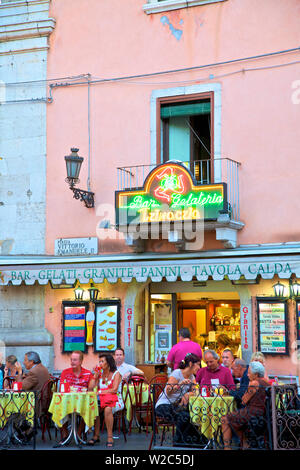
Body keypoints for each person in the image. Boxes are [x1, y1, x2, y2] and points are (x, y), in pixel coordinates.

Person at [221, 361, 270, 450]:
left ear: (256, 374)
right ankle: (244, 444)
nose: (247, 375)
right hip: (262, 413)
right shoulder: (266, 382)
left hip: (253, 412)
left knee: (225, 419)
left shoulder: (254, 383)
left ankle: (227, 448)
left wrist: (247, 388)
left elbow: (244, 400)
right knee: (236, 420)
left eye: (249, 373)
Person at [155, 353, 201, 445]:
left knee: (191, 416)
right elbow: (168, 391)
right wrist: (180, 384)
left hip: (175, 406)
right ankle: (178, 442)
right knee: (184, 417)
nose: (199, 367)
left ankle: (191, 442)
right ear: (191, 364)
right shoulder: (177, 373)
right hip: (163, 405)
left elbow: (196, 391)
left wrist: (189, 393)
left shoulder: (191, 377)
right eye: (198, 364)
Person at [88, 353, 124, 447]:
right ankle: (96, 435)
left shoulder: (117, 374)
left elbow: (114, 389)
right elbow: (91, 387)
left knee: (108, 409)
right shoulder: (100, 374)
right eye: (99, 361)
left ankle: (110, 437)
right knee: (94, 407)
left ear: (108, 363)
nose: (100, 363)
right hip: (103, 399)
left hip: (116, 399)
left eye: (102, 361)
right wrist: (95, 376)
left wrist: (100, 392)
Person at [58, 350, 94, 442]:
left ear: (81, 361)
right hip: (68, 401)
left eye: (75, 360)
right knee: (59, 408)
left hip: (82, 402)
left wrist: (95, 379)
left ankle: (79, 433)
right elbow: (61, 388)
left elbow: (91, 390)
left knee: (88, 409)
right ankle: (65, 434)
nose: (72, 362)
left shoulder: (88, 373)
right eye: (71, 360)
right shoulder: (65, 372)